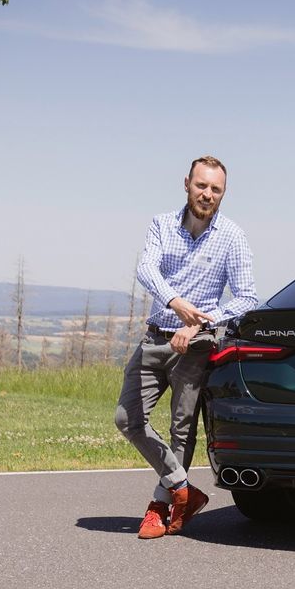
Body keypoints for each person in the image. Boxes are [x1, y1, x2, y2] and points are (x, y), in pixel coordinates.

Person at [114, 155, 258, 539]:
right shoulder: (162, 225)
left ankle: (160, 508)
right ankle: (183, 489)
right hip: (155, 335)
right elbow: (147, 269)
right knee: (126, 419)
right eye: (201, 186)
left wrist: (200, 323)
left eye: (216, 189)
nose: (207, 194)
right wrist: (176, 303)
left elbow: (246, 297)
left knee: (182, 428)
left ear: (223, 194)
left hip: (195, 345)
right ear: (186, 184)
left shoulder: (232, 236)